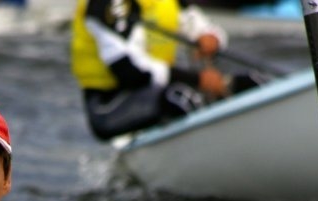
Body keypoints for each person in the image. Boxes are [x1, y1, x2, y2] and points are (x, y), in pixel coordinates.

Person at [71, 0, 254, 140]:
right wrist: (199, 80)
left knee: (251, 83)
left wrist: (211, 37)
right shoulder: (104, 4)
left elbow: (197, 24)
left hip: (158, 92)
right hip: (109, 106)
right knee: (180, 96)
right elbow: (129, 71)